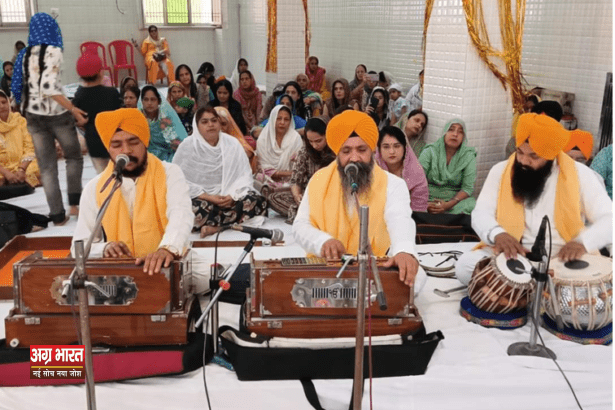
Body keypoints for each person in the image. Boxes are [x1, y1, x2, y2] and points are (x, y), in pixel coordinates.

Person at [455, 113, 613, 286]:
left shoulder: (581, 175)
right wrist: (497, 234)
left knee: (597, 280)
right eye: (520, 152)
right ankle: (537, 293)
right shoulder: (500, 171)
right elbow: (481, 212)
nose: (523, 160)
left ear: (551, 154)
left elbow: (609, 219)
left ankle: (526, 292)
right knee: (465, 266)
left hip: (560, 260)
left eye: (534, 156)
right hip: (512, 258)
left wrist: (583, 243)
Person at [72, 108, 207, 293]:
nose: (126, 151)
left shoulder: (169, 173)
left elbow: (181, 214)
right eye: (117, 144)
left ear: (145, 142)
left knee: (208, 276)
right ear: (108, 148)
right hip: (120, 272)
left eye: (133, 142)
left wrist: (167, 249)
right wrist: (105, 248)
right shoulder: (97, 188)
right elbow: (78, 246)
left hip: (169, 261)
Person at [292, 110, 426, 290]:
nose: (354, 157)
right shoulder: (319, 180)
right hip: (328, 265)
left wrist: (403, 250)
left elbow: (399, 219)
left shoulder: (393, 184)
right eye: (346, 151)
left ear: (372, 150)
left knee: (416, 278)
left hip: (373, 266)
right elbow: (301, 224)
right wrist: (322, 241)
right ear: (337, 153)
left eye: (361, 150)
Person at [11, 12, 87, 225]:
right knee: (73, 157)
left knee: (47, 167)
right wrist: (72, 108)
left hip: (34, 116)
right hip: (57, 114)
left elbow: (16, 86)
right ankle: (75, 204)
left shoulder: (23, 55)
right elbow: (50, 87)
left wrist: (23, 106)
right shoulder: (54, 51)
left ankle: (57, 216)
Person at [173, 106, 267, 238]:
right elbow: (178, 180)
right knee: (190, 210)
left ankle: (218, 227)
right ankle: (230, 222)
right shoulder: (187, 146)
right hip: (203, 200)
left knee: (258, 201)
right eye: (204, 122)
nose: (210, 125)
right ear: (197, 125)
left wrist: (233, 196)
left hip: (230, 197)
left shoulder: (232, 143)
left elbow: (244, 176)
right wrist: (208, 197)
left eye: (214, 120)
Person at [268, 116, 335, 224]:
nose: (314, 145)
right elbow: (295, 179)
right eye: (310, 141)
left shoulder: (336, 152)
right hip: (308, 197)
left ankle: (311, 214)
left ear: (327, 135)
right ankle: (315, 215)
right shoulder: (305, 151)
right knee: (273, 198)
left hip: (331, 197)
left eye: (318, 141)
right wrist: (297, 196)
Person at [72, 53, 122, 174]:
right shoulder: (112, 93)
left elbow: (77, 119)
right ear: (101, 73)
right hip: (113, 142)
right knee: (119, 174)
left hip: (93, 143)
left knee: (102, 176)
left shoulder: (79, 95)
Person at [419, 119, 477, 215]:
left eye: (460, 132)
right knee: (410, 203)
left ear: (464, 137)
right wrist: (426, 204)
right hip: (428, 197)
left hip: (454, 201)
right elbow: (417, 180)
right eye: (451, 130)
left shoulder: (468, 156)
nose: (455, 134)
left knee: (472, 206)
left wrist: (449, 204)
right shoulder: (430, 151)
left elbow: (467, 188)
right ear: (444, 133)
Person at [375, 126, 428, 212]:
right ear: (379, 150)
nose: (392, 151)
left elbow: (419, 209)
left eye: (397, 146)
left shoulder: (416, 172)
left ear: (405, 148)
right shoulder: (373, 169)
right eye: (386, 147)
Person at [254, 105, 303, 192]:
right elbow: (264, 169)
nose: (282, 122)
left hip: (291, 182)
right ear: (273, 119)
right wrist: (289, 173)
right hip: (266, 180)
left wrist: (292, 174)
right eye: (279, 118)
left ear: (290, 121)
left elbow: (300, 164)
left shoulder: (295, 138)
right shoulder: (263, 139)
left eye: (286, 119)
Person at [0, 90, 40, 187]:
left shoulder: (20, 121)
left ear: (9, 103)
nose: (1, 106)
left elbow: (29, 147)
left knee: (39, 171)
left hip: (22, 164)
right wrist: (6, 173)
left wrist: (22, 169)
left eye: (3, 102)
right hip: (2, 168)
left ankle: (16, 179)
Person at [139, 85, 187, 162]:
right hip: (146, 158)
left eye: (153, 99)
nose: (149, 103)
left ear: (159, 101)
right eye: (146, 99)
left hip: (167, 155)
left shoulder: (165, 117)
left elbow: (174, 139)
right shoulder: (138, 118)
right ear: (142, 102)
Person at [213, 106, 257, 170]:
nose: (220, 128)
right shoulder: (204, 142)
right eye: (216, 123)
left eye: (223, 124)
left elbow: (249, 153)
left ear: (229, 125)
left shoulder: (237, 141)